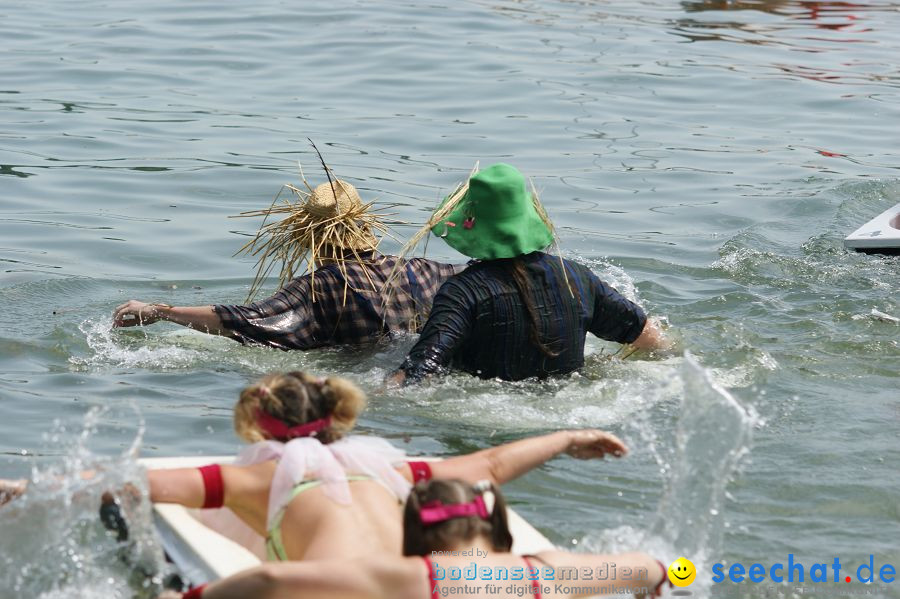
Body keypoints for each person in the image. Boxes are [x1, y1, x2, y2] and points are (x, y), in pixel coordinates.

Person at [0, 371, 629, 563]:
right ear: (336, 419)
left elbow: (125, 483)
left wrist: (25, 489)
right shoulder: (389, 467)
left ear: (252, 427)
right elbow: (490, 463)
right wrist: (568, 436)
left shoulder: (252, 479)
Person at [389, 163, 670, 384]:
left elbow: (420, 369)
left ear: (468, 225)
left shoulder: (461, 293)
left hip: (489, 412)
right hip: (568, 405)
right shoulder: (577, 278)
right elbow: (650, 338)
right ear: (529, 218)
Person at [160, 478, 669, 599]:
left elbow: (272, 577)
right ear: (490, 524)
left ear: (417, 529)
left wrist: (193, 595)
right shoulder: (548, 571)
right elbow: (650, 566)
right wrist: (668, 580)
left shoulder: (411, 576)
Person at [113, 178, 462, 350]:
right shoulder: (425, 270)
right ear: (366, 226)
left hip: (365, 378)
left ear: (307, 237)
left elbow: (245, 320)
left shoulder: (319, 287)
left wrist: (160, 311)